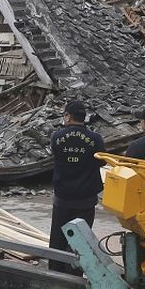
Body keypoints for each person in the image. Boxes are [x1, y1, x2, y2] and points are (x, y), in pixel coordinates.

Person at [49, 100, 106, 274]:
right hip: (85, 199)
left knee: (58, 238)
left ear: (68, 117)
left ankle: (55, 273)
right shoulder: (95, 139)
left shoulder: (57, 137)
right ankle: (75, 275)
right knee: (81, 239)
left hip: (62, 198)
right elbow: (102, 161)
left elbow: (55, 155)